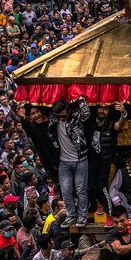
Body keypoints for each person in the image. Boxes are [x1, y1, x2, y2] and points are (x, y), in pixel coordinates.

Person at [48, 96, 91, 228]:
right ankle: (71, 215)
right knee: (66, 192)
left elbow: (86, 114)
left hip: (80, 161)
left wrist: (80, 98)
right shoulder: (54, 119)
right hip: (64, 162)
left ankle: (82, 215)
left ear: (68, 110)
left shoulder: (77, 117)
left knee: (80, 190)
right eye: (59, 116)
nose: (62, 118)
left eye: (63, 115)